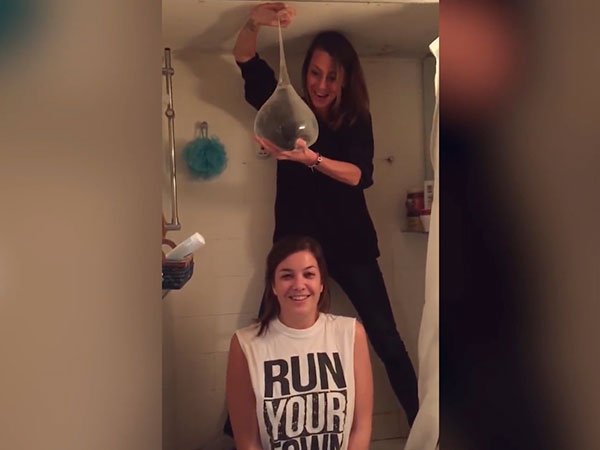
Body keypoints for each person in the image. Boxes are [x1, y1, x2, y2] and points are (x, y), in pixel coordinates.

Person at [229, 1, 419, 431]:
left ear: (345, 79)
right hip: (296, 247)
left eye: (332, 76)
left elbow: (359, 175)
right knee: (264, 336)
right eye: (315, 73)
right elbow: (244, 56)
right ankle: (237, 436)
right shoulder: (287, 108)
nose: (321, 83)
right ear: (305, 73)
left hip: (351, 243)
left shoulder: (356, 119)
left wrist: (310, 159)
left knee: (387, 339)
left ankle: (426, 430)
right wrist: (253, 21)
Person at [226, 236, 373, 450]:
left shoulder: (351, 334)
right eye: (287, 276)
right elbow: (247, 441)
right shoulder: (245, 344)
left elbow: (361, 426)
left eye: (309, 274)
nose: (298, 285)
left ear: (321, 283)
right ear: (273, 286)